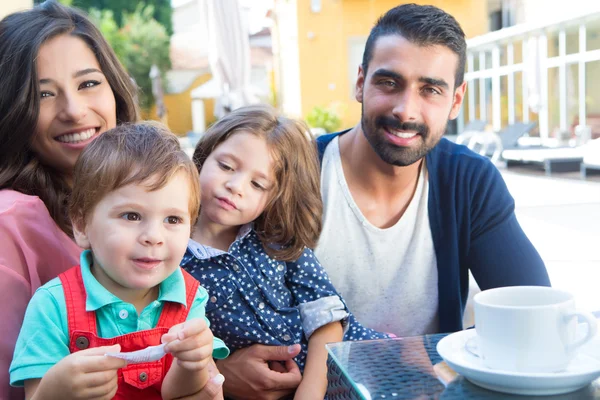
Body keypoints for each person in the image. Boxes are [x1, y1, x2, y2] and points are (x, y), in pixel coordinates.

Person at [213, 4, 552, 399]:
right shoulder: (292, 172)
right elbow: (193, 279)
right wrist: (218, 370)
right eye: (389, 83)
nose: (405, 109)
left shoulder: (468, 181)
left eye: (430, 89)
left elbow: (533, 315)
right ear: (360, 82)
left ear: (455, 100)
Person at [0, 2, 224, 398]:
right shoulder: (13, 220)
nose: (74, 110)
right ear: (81, 222)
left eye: (88, 83)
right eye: (44, 94)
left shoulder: (163, 187)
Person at [180, 104, 388, 400]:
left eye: (257, 183)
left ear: (273, 197)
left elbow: (327, 320)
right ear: (201, 158)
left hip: (351, 363)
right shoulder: (171, 255)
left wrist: (310, 393)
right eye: (225, 166)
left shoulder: (277, 241)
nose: (235, 186)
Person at [10, 122, 230, 399]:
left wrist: (192, 364)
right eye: (131, 216)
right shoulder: (53, 305)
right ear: (81, 224)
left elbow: (179, 394)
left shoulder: (190, 298)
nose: (154, 236)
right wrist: (57, 389)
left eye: (172, 219)